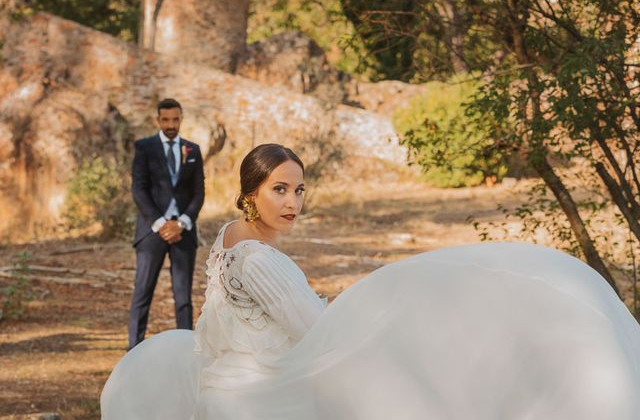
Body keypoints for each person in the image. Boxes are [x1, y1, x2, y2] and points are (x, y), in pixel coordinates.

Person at [103, 144, 640, 420]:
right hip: (258, 397)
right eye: (280, 190)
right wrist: (375, 320)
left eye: (300, 190)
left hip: (226, 382)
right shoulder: (259, 259)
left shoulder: (228, 238)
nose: (293, 203)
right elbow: (313, 329)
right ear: (252, 192)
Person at [127, 98, 205, 350]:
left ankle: (186, 349)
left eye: (175, 119)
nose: (171, 124)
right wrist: (161, 224)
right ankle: (134, 347)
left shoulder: (192, 150)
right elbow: (139, 189)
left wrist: (181, 223)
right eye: (166, 119)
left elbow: (199, 192)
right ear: (158, 120)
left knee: (183, 295)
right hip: (152, 231)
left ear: (181, 118)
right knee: (143, 291)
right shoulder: (144, 148)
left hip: (183, 232)